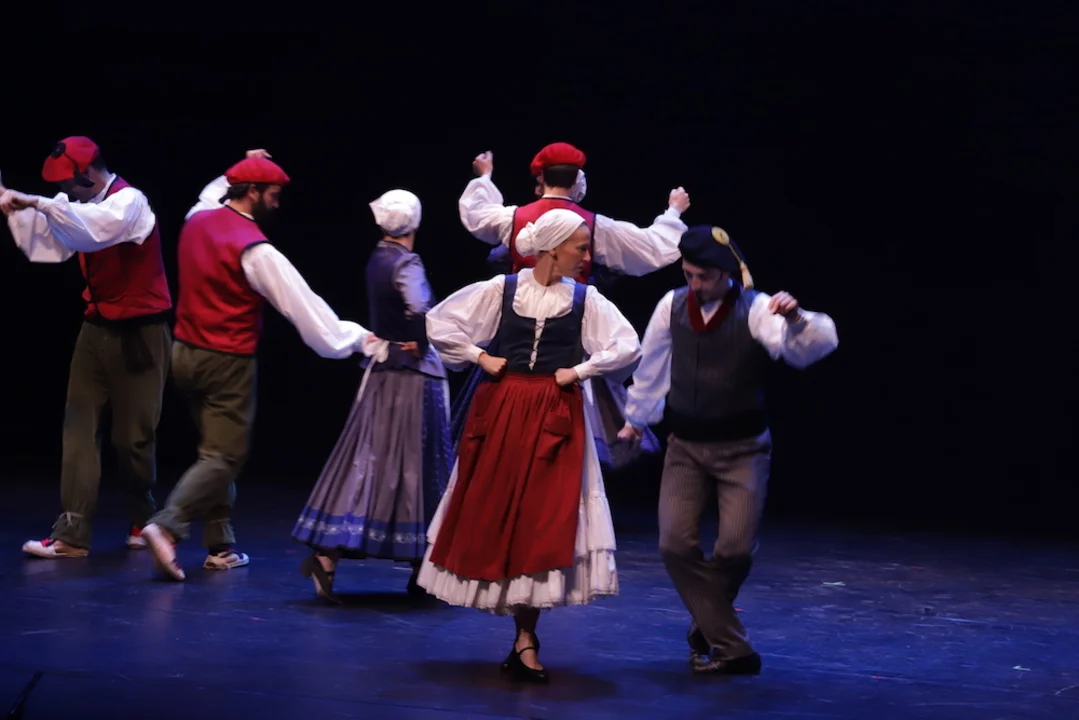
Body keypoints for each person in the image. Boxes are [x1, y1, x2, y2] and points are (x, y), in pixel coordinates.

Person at [417, 208, 642, 683]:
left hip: (555, 416)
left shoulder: (584, 299)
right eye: (580, 247)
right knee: (500, 513)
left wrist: (580, 370)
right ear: (553, 249)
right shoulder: (502, 290)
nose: (586, 256)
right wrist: (479, 356)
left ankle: (526, 637)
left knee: (543, 518)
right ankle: (520, 634)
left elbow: (626, 345)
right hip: (502, 411)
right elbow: (440, 323)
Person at [618, 225, 839, 674]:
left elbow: (804, 350)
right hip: (686, 447)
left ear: (726, 274)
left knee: (735, 550)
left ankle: (709, 623)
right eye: (688, 274)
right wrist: (635, 420)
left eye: (703, 276)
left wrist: (796, 318)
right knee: (674, 544)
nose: (694, 284)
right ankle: (732, 647)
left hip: (742, 449)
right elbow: (653, 365)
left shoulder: (754, 308)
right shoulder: (671, 306)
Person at [140, 152, 371, 581]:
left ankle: (220, 545)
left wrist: (243, 161)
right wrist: (359, 339)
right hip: (225, 361)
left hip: (184, 353)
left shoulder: (197, 217)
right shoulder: (256, 250)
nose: (277, 204)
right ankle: (167, 526)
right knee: (225, 455)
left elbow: (212, 190)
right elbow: (305, 310)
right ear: (251, 193)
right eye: (273, 195)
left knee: (212, 452)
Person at [454, 142, 689, 470]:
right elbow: (650, 248)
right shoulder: (592, 225)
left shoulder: (515, 218)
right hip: (568, 334)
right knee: (568, 438)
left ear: (541, 179)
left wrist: (484, 178)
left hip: (517, 337)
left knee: (509, 429)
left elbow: (477, 215)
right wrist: (673, 213)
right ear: (578, 180)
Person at [1, 136, 172, 559]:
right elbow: (51, 245)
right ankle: (71, 534)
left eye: (68, 183)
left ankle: (143, 519)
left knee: (133, 439)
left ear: (89, 173)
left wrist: (37, 203)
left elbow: (93, 229)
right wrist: (15, 208)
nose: (63, 191)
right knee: (78, 425)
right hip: (96, 328)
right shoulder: (78, 205)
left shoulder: (129, 201)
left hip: (141, 332)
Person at [291, 189, 453, 600]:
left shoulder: (378, 257)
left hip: (381, 372)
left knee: (368, 458)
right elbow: (419, 307)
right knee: (420, 462)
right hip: (411, 375)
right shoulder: (406, 262)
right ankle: (422, 569)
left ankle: (328, 555)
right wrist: (421, 337)